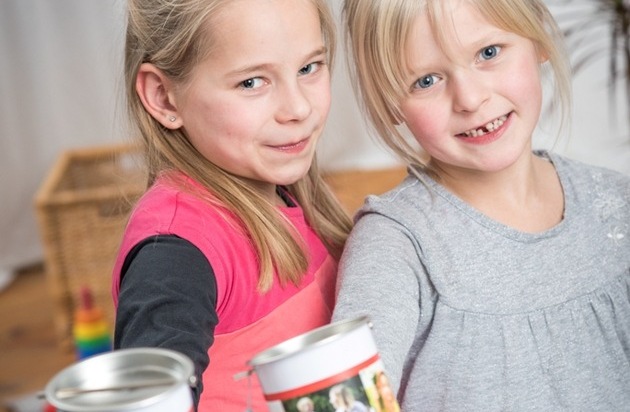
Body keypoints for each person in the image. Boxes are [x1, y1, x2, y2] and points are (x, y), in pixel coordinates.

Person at [332, 0, 630, 410]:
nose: (470, 99)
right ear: (389, 104)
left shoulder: (616, 203)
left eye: (488, 53)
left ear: (539, 39)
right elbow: (347, 399)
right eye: (426, 80)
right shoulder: (396, 246)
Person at [111, 0, 353, 411]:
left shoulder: (284, 189)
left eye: (309, 68)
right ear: (164, 98)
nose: (298, 108)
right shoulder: (174, 251)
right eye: (252, 82)